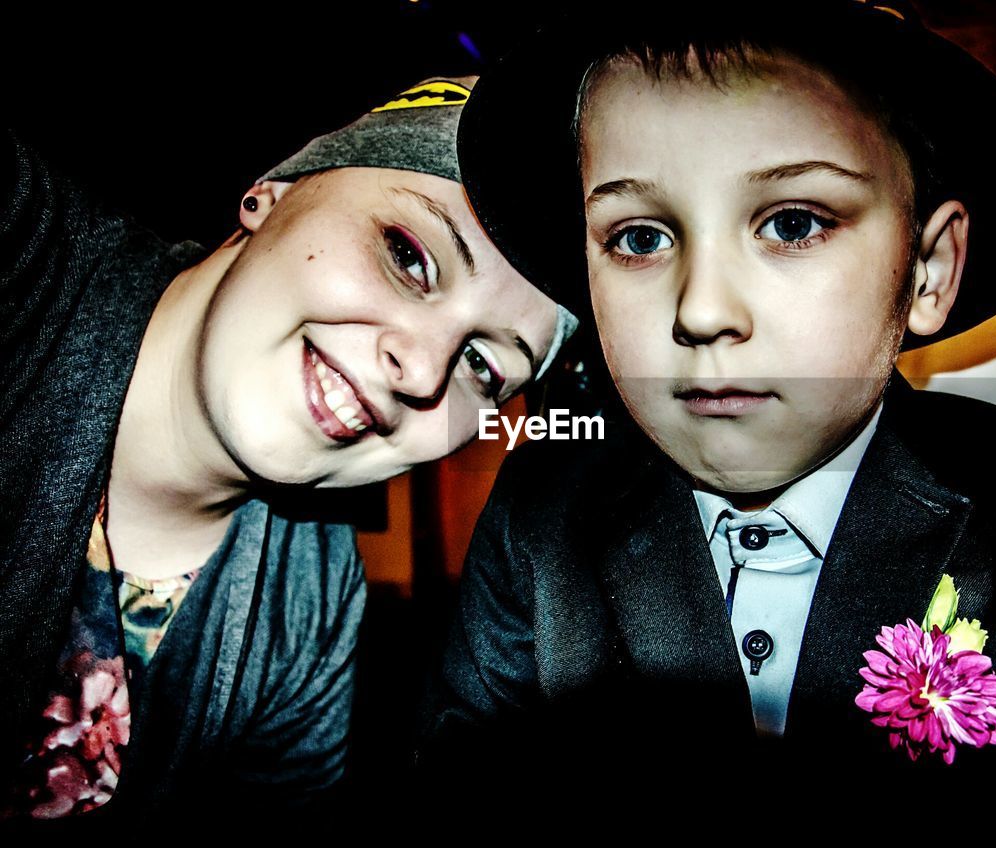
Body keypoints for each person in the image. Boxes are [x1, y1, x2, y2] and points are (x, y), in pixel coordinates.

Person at [417, 2, 996, 790]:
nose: (703, 309)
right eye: (639, 238)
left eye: (791, 224)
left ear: (926, 271)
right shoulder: (543, 516)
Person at [1, 75, 579, 823]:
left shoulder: (312, 600)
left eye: (483, 367)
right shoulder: (22, 258)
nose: (425, 367)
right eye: (408, 254)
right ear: (269, 195)